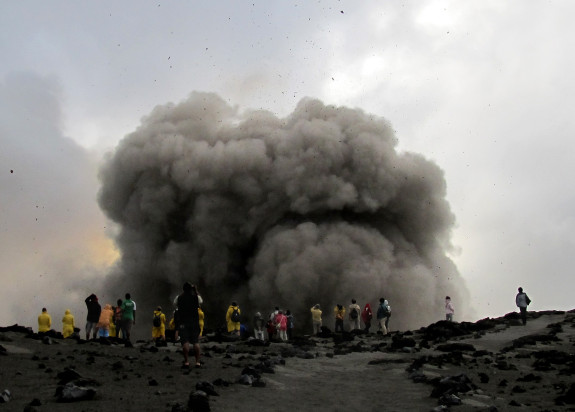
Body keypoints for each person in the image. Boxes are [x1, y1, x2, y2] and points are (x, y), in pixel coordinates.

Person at [176, 282, 201, 368]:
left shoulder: (179, 298)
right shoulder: (195, 297)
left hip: (183, 322)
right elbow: (199, 302)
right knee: (195, 342)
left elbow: (176, 305)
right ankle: (197, 362)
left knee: (185, 342)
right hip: (194, 322)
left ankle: (186, 361)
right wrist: (195, 290)